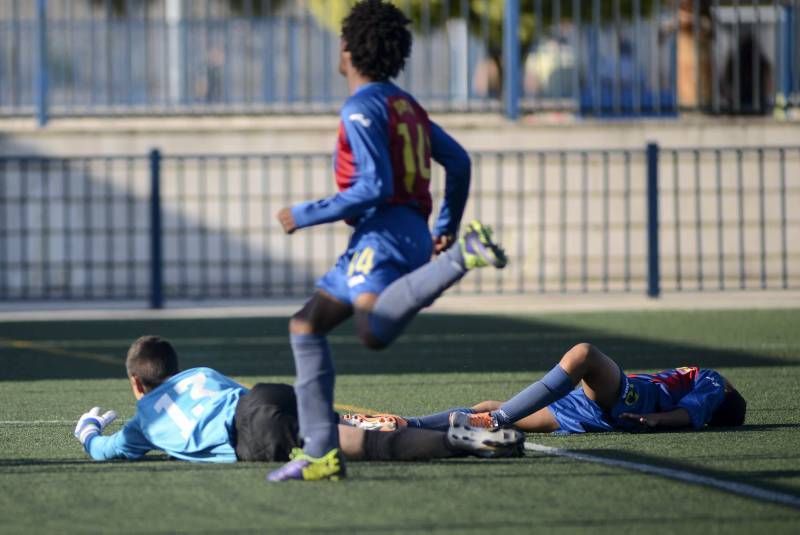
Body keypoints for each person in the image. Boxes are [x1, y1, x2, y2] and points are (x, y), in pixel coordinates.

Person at [272, 0, 506, 481]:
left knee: (371, 332)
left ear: (347, 49)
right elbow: (458, 161)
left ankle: (463, 257)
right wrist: (443, 223)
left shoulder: (360, 107)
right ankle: (320, 452)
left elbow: (373, 187)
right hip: (392, 234)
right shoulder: (406, 105)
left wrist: (303, 213)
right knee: (306, 325)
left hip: (385, 234)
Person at [73, 336, 524, 475]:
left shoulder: (142, 426)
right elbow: (234, 394)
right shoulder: (198, 374)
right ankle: (453, 427)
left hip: (251, 432)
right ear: (175, 368)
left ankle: (460, 441)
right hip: (266, 395)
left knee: (358, 447)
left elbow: (105, 452)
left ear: (136, 382)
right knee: (348, 427)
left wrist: (89, 428)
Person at [345, 343, 747, 435]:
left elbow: (692, 413)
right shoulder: (690, 382)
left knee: (584, 354)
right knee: (485, 411)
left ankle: (497, 417)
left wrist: (657, 419)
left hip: (628, 403)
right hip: (588, 413)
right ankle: (407, 425)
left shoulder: (714, 383)